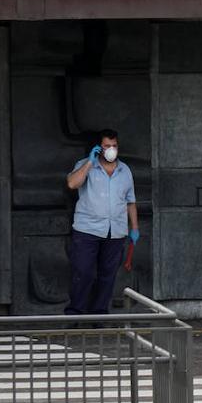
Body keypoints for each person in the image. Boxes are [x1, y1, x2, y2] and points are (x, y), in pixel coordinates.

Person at [64, 129, 139, 315]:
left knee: (108, 276)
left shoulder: (125, 170)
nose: (111, 149)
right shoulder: (85, 165)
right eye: (107, 146)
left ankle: (99, 313)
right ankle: (76, 313)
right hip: (87, 230)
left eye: (114, 146)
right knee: (83, 272)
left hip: (115, 232)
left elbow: (130, 201)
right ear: (99, 147)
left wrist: (134, 228)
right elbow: (72, 184)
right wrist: (90, 161)